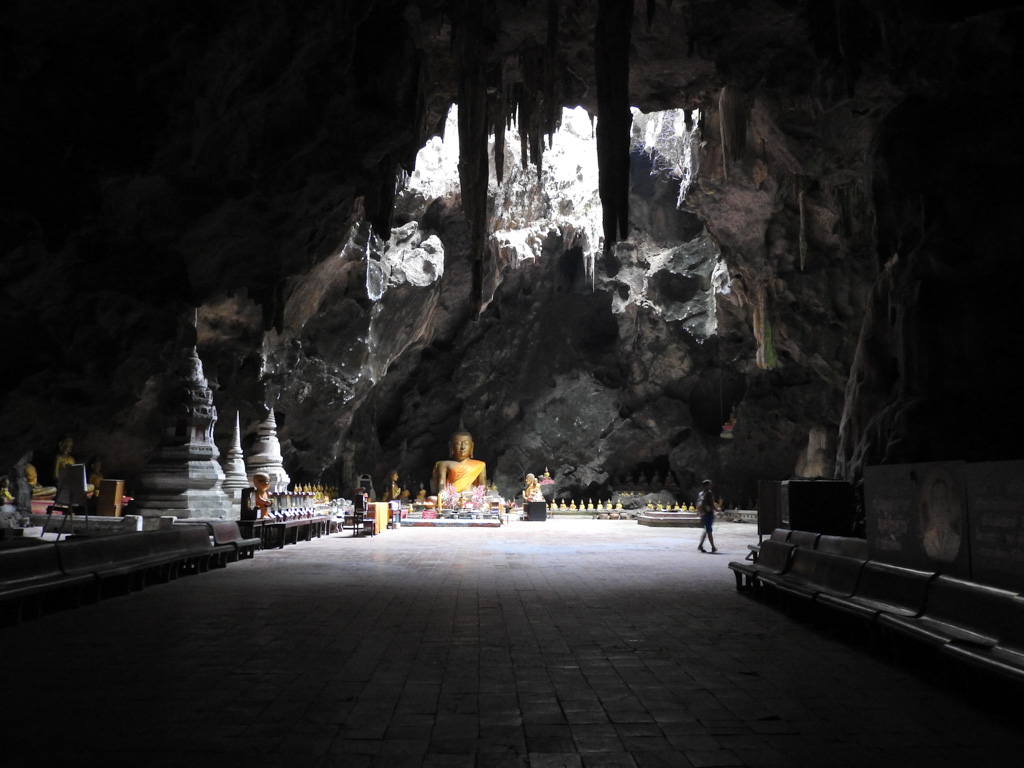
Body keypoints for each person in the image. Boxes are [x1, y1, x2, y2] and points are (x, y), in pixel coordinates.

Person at [431, 426, 487, 494]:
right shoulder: (443, 464)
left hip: (471, 498)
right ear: (451, 446)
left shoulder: (480, 465)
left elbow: (483, 487)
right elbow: (441, 484)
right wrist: (442, 492)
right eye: (458, 443)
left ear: (472, 446)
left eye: (466, 444)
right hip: (452, 497)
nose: (462, 447)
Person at [696, 478, 719, 553]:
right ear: (706, 486)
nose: (711, 486)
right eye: (710, 485)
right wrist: (719, 511)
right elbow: (712, 505)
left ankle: (701, 545)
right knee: (709, 531)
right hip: (708, 514)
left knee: (706, 530)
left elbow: (698, 504)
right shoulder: (709, 493)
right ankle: (713, 547)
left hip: (702, 514)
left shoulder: (700, 493)